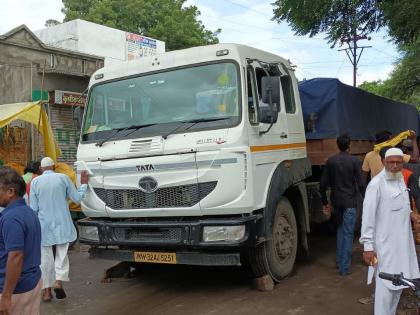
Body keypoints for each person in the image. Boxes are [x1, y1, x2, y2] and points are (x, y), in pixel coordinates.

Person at [360, 147, 420, 315]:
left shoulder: (400, 179)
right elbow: (368, 217)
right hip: (384, 247)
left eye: (398, 162)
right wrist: (368, 247)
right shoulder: (376, 185)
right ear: (384, 162)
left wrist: (410, 214)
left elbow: (399, 205)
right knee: (385, 288)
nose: (394, 166)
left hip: (402, 245)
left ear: (402, 164)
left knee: (398, 285)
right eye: (391, 162)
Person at [29, 157, 88, 302]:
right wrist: (84, 185)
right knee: (61, 255)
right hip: (62, 224)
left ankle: (47, 292)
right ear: (54, 166)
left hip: (44, 226)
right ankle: (58, 282)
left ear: (41, 169)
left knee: (45, 259)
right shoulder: (63, 178)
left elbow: (34, 209)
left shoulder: (35, 183)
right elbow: (77, 199)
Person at [320, 133, 365, 276]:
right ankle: (344, 268)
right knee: (348, 233)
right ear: (349, 145)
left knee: (340, 230)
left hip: (336, 201)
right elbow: (362, 184)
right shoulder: (355, 161)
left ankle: (340, 262)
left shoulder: (331, 161)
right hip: (350, 202)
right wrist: (366, 199)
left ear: (337, 145)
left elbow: (322, 185)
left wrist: (325, 202)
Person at [0, 166, 42, 314]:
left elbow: (16, 256)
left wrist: (6, 297)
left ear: (10, 191)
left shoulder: (11, 218)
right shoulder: (28, 212)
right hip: (32, 281)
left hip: (16, 289)